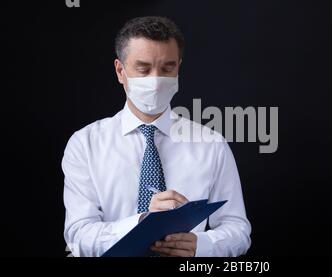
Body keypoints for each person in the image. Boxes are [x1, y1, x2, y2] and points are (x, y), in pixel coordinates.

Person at [62, 16, 251, 257]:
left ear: (178, 67)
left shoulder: (211, 145)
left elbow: (238, 229)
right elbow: (78, 236)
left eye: (167, 68)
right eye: (143, 68)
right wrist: (142, 223)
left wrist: (201, 246)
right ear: (121, 71)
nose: (156, 80)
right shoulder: (85, 145)